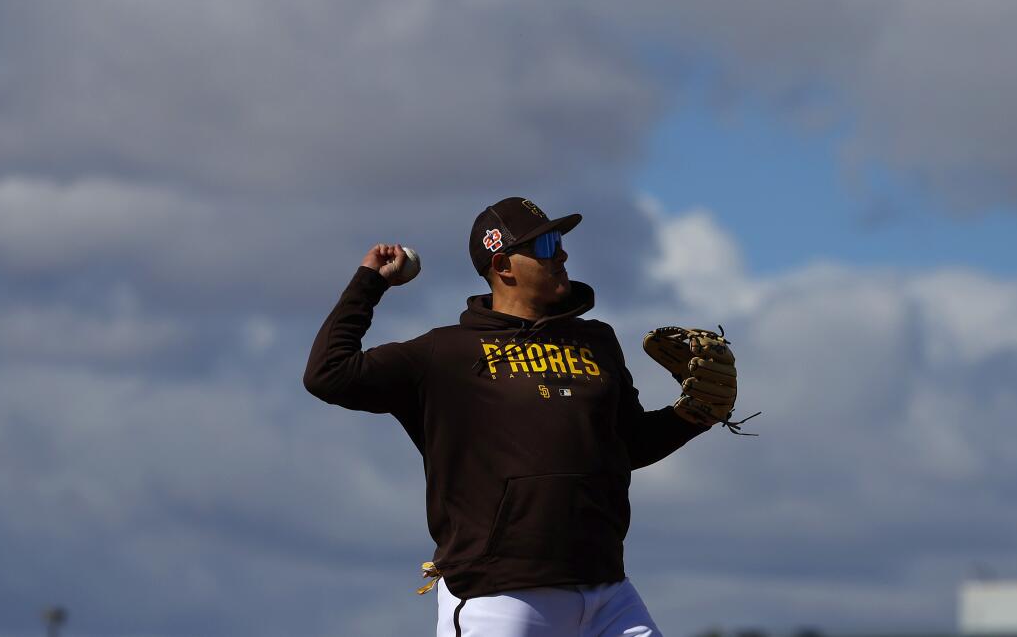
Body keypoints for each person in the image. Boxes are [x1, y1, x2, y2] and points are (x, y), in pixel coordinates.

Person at [304, 197, 731, 637]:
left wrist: (691, 417)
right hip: (501, 593)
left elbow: (625, 445)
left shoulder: (596, 341)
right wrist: (369, 283)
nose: (561, 253)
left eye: (559, 240)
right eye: (545, 245)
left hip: (607, 589)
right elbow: (327, 373)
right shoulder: (445, 353)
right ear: (504, 265)